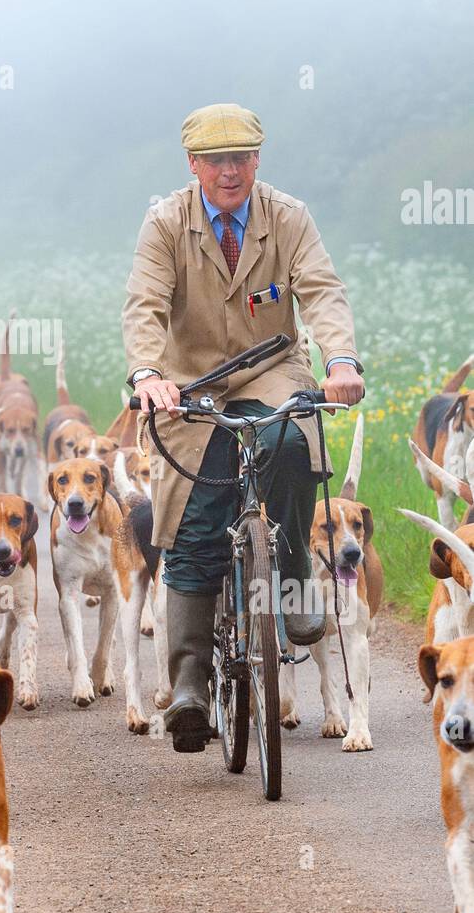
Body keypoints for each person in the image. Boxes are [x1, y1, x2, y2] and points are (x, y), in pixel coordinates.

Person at [122, 104, 364, 753]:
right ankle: (189, 684)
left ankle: (289, 579)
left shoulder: (287, 216)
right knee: (195, 523)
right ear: (193, 165)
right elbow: (143, 304)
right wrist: (148, 372)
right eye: (216, 159)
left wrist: (339, 359)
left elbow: (321, 291)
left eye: (241, 158)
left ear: (257, 160)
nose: (229, 171)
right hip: (188, 383)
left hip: (269, 369)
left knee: (286, 439)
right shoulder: (165, 221)